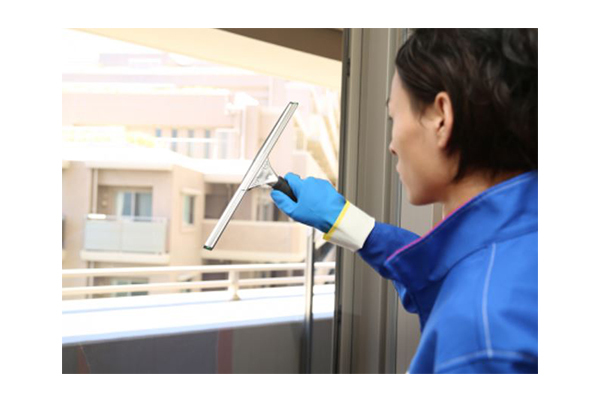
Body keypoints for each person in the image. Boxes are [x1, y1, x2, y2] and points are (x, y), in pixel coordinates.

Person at [271, 29, 538, 374]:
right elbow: (448, 273)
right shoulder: (522, 245)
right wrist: (345, 221)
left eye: (393, 118)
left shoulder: (479, 339)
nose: (392, 145)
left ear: (441, 118)